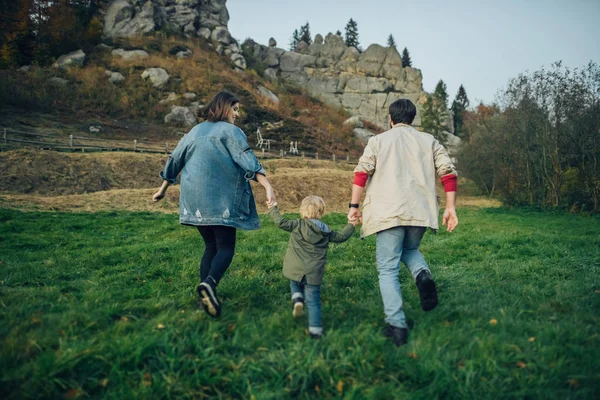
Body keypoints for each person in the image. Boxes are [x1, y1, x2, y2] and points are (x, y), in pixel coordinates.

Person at [153, 91, 276, 318]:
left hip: (194, 199)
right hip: (221, 199)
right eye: (235, 109)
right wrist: (267, 185)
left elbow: (175, 159)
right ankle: (209, 284)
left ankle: (204, 298)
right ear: (224, 107)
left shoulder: (194, 131)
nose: (237, 115)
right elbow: (246, 159)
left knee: (210, 246)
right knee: (226, 247)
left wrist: (162, 189)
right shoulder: (231, 132)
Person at [347, 98, 458, 347]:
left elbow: (361, 173)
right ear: (412, 118)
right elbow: (448, 172)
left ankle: (397, 326)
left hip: (388, 212)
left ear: (390, 118)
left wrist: (354, 207)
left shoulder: (378, 141)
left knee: (387, 268)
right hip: (420, 212)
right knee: (409, 250)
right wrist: (450, 207)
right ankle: (422, 275)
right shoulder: (428, 141)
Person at [268, 196, 358, 339]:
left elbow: (280, 222)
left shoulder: (297, 224)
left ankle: (297, 299)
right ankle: (315, 331)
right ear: (321, 212)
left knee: (294, 280)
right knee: (313, 302)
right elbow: (341, 236)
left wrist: (273, 208)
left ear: (302, 211)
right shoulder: (326, 231)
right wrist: (351, 225)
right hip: (313, 272)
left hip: (295, 267)